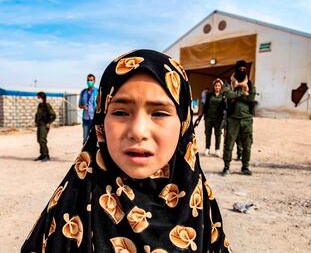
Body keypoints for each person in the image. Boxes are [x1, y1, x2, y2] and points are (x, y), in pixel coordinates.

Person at [22, 50, 231, 252]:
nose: (138, 132)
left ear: (184, 123)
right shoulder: (69, 209)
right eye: (121, 112)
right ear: (101, 123)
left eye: (159, 113)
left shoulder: (202, 208)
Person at [222, 60, 256, 176]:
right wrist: (243, 94)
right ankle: (226, 167)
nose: (242, 70)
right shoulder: (228, 83)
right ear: (236, 69)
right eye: (240, 68)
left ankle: (245, 167)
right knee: (229, 144)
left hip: (247, 119)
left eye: (244, 68)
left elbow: (251, 98)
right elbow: (227, 94)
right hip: (233, 119)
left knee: (247, 145)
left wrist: (236, 96)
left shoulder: (250, 84)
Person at [195, 79, 225, 157]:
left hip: (218, 118)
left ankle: (217, 150)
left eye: (219, 86)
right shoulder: (209, 95)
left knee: (218, 134)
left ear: (221, 87)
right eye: (216, 85)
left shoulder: (223, 96)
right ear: (213, 86)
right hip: (209, 117)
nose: (217, 87)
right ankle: (207, 148)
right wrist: (200, 114)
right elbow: (204, 105)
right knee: (208, 133)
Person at [34, 92, 56, 162]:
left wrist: (49, 123)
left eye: (39, 97)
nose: (38, 99)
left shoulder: (47, 105)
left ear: (42, 98)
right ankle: (42, 155)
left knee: (42, 140)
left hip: (44, 125)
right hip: (39, 125)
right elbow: (37, 114)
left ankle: (46, 155)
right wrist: (36, 121)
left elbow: (54, 115)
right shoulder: (40, 105)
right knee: (39, 140)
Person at [79, 74, 98, 144]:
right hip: (86, 119)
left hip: (95, 119)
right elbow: (79, 105)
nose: (90, 81)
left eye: (91, 80)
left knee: (95, 139)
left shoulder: (98, 92)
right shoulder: (83, 92)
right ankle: (85, 154)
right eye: (88, 80)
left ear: (94, 81)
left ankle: (94, 154)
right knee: (85, 139)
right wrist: (82, 106)